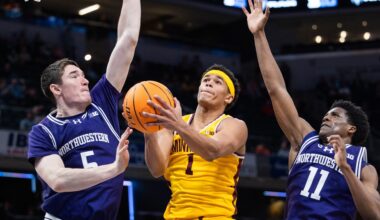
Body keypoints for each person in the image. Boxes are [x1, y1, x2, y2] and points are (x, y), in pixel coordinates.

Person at [243, 0, 380, 219]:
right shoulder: (305, 139)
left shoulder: (363, 165)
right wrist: (259, 35)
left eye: (335, 115)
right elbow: (276, 89)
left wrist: (345, 168)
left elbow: (374, 213)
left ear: (351, 128)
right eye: (326, 114)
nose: (326, 117)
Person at [27, 0, 141, 219]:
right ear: (56, 89)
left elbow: (129, 40)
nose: (85, 80)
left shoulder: (101, 102)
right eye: (74, 76)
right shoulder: (43, 132)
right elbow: (58, 180)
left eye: (83, 75)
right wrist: (114, 169)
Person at [142, 64, 248, 219]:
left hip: (216, 216)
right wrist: (149, 133)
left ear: (228, 97)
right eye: (205, 80)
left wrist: (179, 125)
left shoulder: (234, 125)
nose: (209, 83)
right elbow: (156, 169)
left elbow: (212, 150)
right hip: (175, 214)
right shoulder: (174, 124)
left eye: (218, 82)